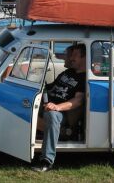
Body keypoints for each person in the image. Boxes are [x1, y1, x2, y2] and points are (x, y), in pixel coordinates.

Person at [33, 43, 86, 172]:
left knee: (51, 116)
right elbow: (52, 87)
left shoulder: (85, 78)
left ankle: (47, 160)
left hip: (62, 113)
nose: (71, 58)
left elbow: (77, 101)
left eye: (75, 55)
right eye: (71, 54)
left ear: (84, 58)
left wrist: (57, 107)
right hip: (48, 103)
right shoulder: (69, 72)